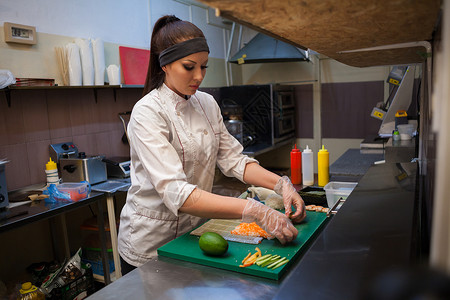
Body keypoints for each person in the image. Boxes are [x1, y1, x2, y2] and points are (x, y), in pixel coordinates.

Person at [117, 15, 306, 275]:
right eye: (189, 66)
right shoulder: (147, 112)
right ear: (165, 65)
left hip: (195, 235)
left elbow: (234, 160)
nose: (199, 76)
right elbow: (177, 192)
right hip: (151, 245)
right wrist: (253, 210)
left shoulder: (205, 103)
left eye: (204, 67)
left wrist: (280, 184)